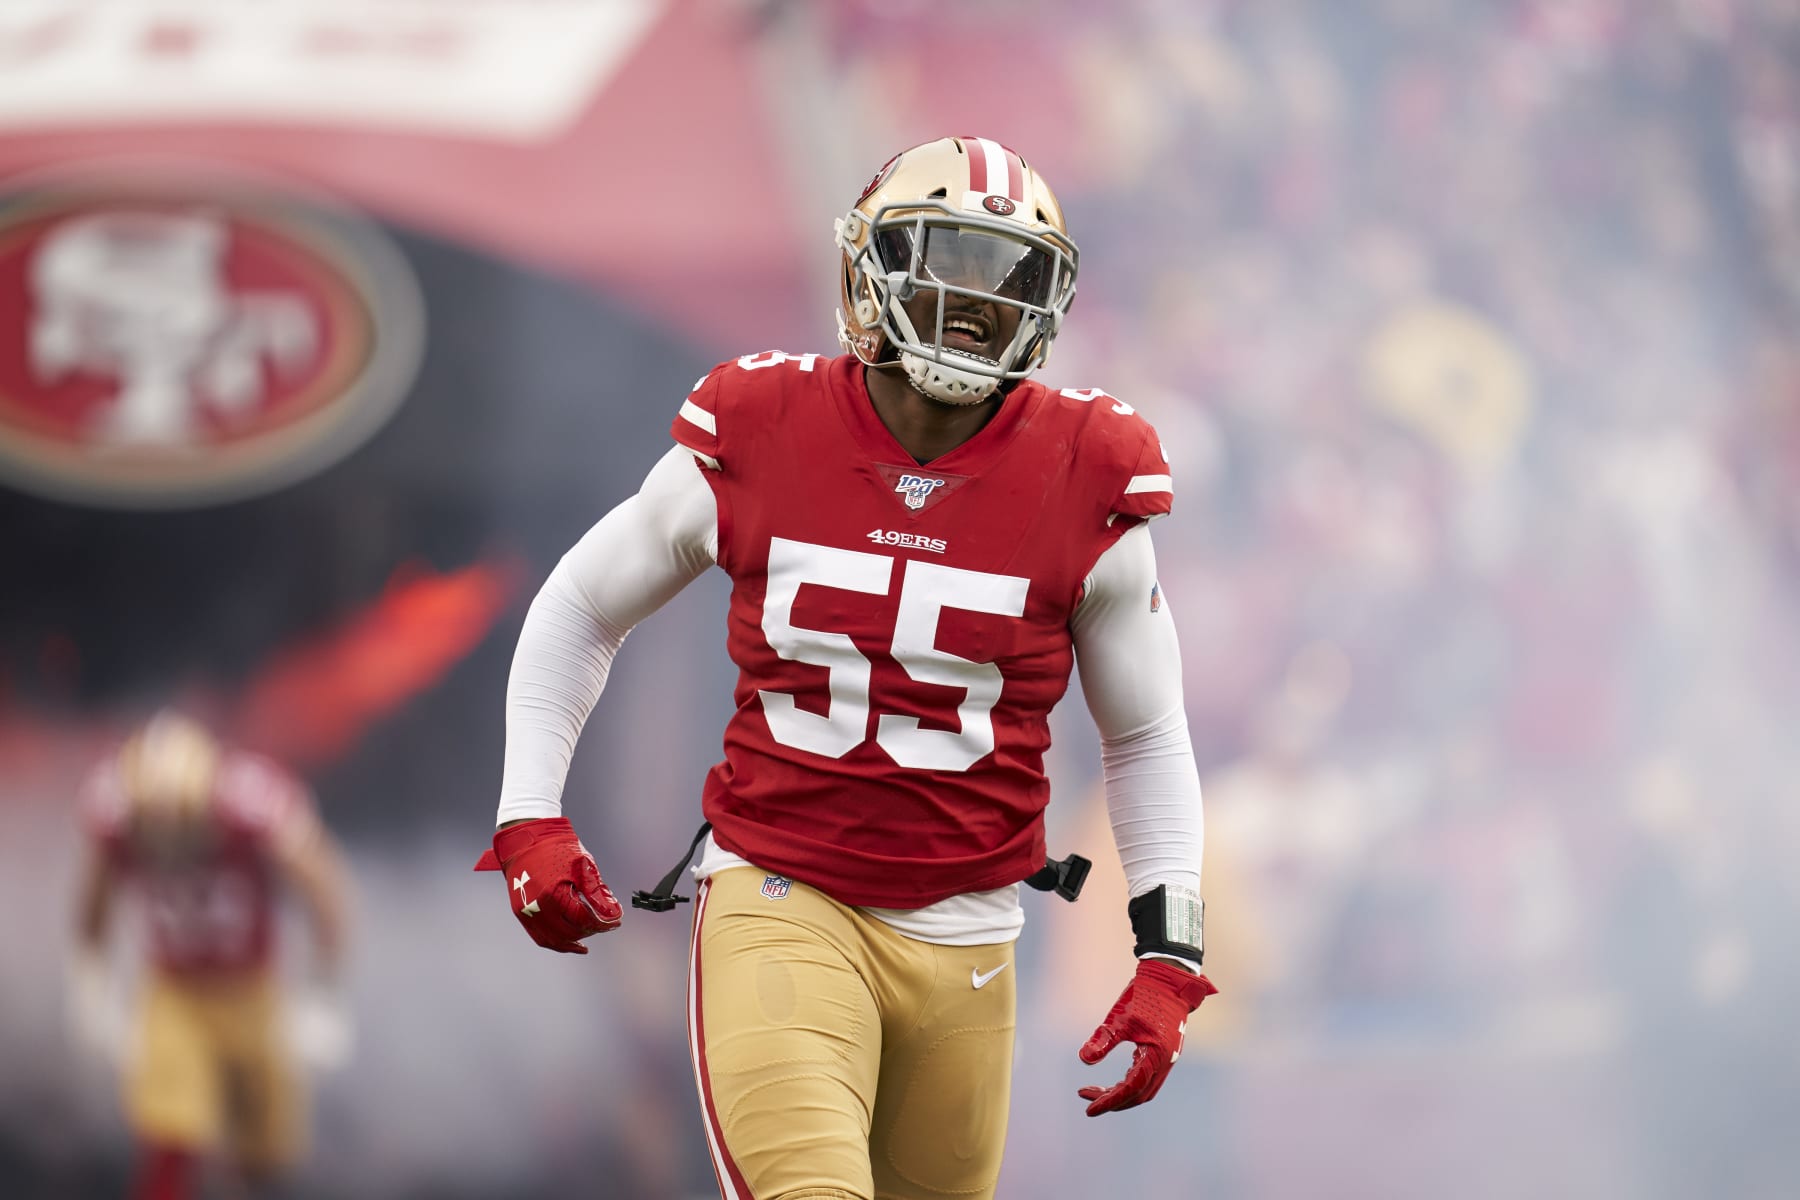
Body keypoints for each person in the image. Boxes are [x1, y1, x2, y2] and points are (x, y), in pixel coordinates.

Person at [477, 135, 1214, 1200]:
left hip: (972, 932)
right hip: (787, 894)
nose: (975, 306)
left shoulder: (1089, 467)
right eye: (945, 263)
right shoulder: (761, 424)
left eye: (1009, 277)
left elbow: (1146, 733)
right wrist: (529, 814)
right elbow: (582, 606)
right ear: (866, 269)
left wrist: (1169, 951)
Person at [70, 711, 352, 1200]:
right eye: (153, 828)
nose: (168, 845)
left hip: (251, 990)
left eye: (180, 825)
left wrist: (322, 994)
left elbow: (325, 888)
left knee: (264, 1154)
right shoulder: (116, 810)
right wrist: (91, 987)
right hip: (174, 988)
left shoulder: (251, 804)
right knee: (169, 1131)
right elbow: (95, 898)